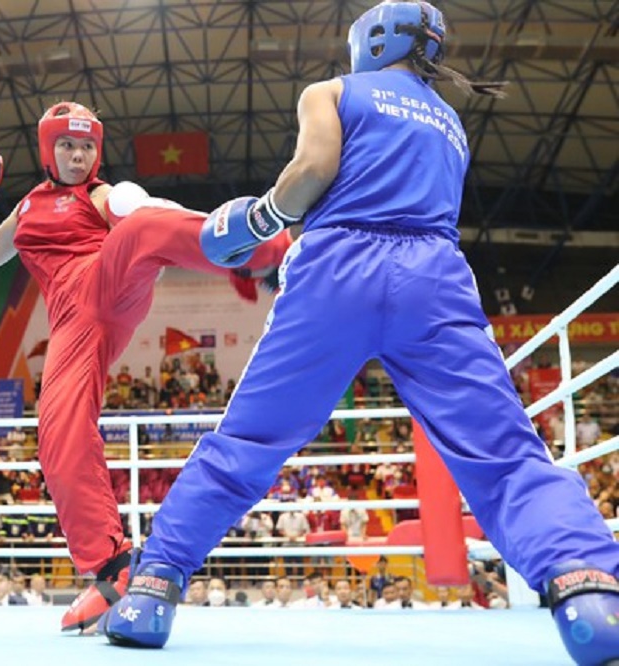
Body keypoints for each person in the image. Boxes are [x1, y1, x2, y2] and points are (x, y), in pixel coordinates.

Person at [102, 3, 619, 663]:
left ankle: (150, 592)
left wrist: (260, 220)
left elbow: (314, 170)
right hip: (434, 277)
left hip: (337, 267)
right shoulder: (452, 121)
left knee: (251, 441)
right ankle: (589, 591)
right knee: (502, 451)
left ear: (370, 40)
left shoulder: (333, 90)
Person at [0, 101, 291, 632]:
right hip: (70, 321)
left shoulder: (102, 194)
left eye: (86, 146)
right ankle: (109, 567)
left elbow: (147, 214)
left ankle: (254, 245)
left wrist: (199, 228)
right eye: (67, 145)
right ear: (48, 149)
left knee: (136, 217)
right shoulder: (29, 206)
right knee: (58, 435)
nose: (78, 155)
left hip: (110, 280)